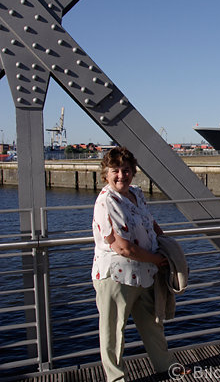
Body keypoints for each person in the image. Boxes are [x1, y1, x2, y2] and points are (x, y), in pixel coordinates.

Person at [92, 147, 188, 381]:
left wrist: (162, 242)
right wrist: (157, 259)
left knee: (153, 324)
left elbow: (150, 222)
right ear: (105, 174)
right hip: (116, 277)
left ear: (133, 172)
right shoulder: (106, 201)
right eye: (115, 171)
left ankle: (165, 366)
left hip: (144, 273)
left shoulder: (136, 193)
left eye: (126, 170)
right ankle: (116, 378)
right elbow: (122, 247)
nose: (121, 175)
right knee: (113, 332)